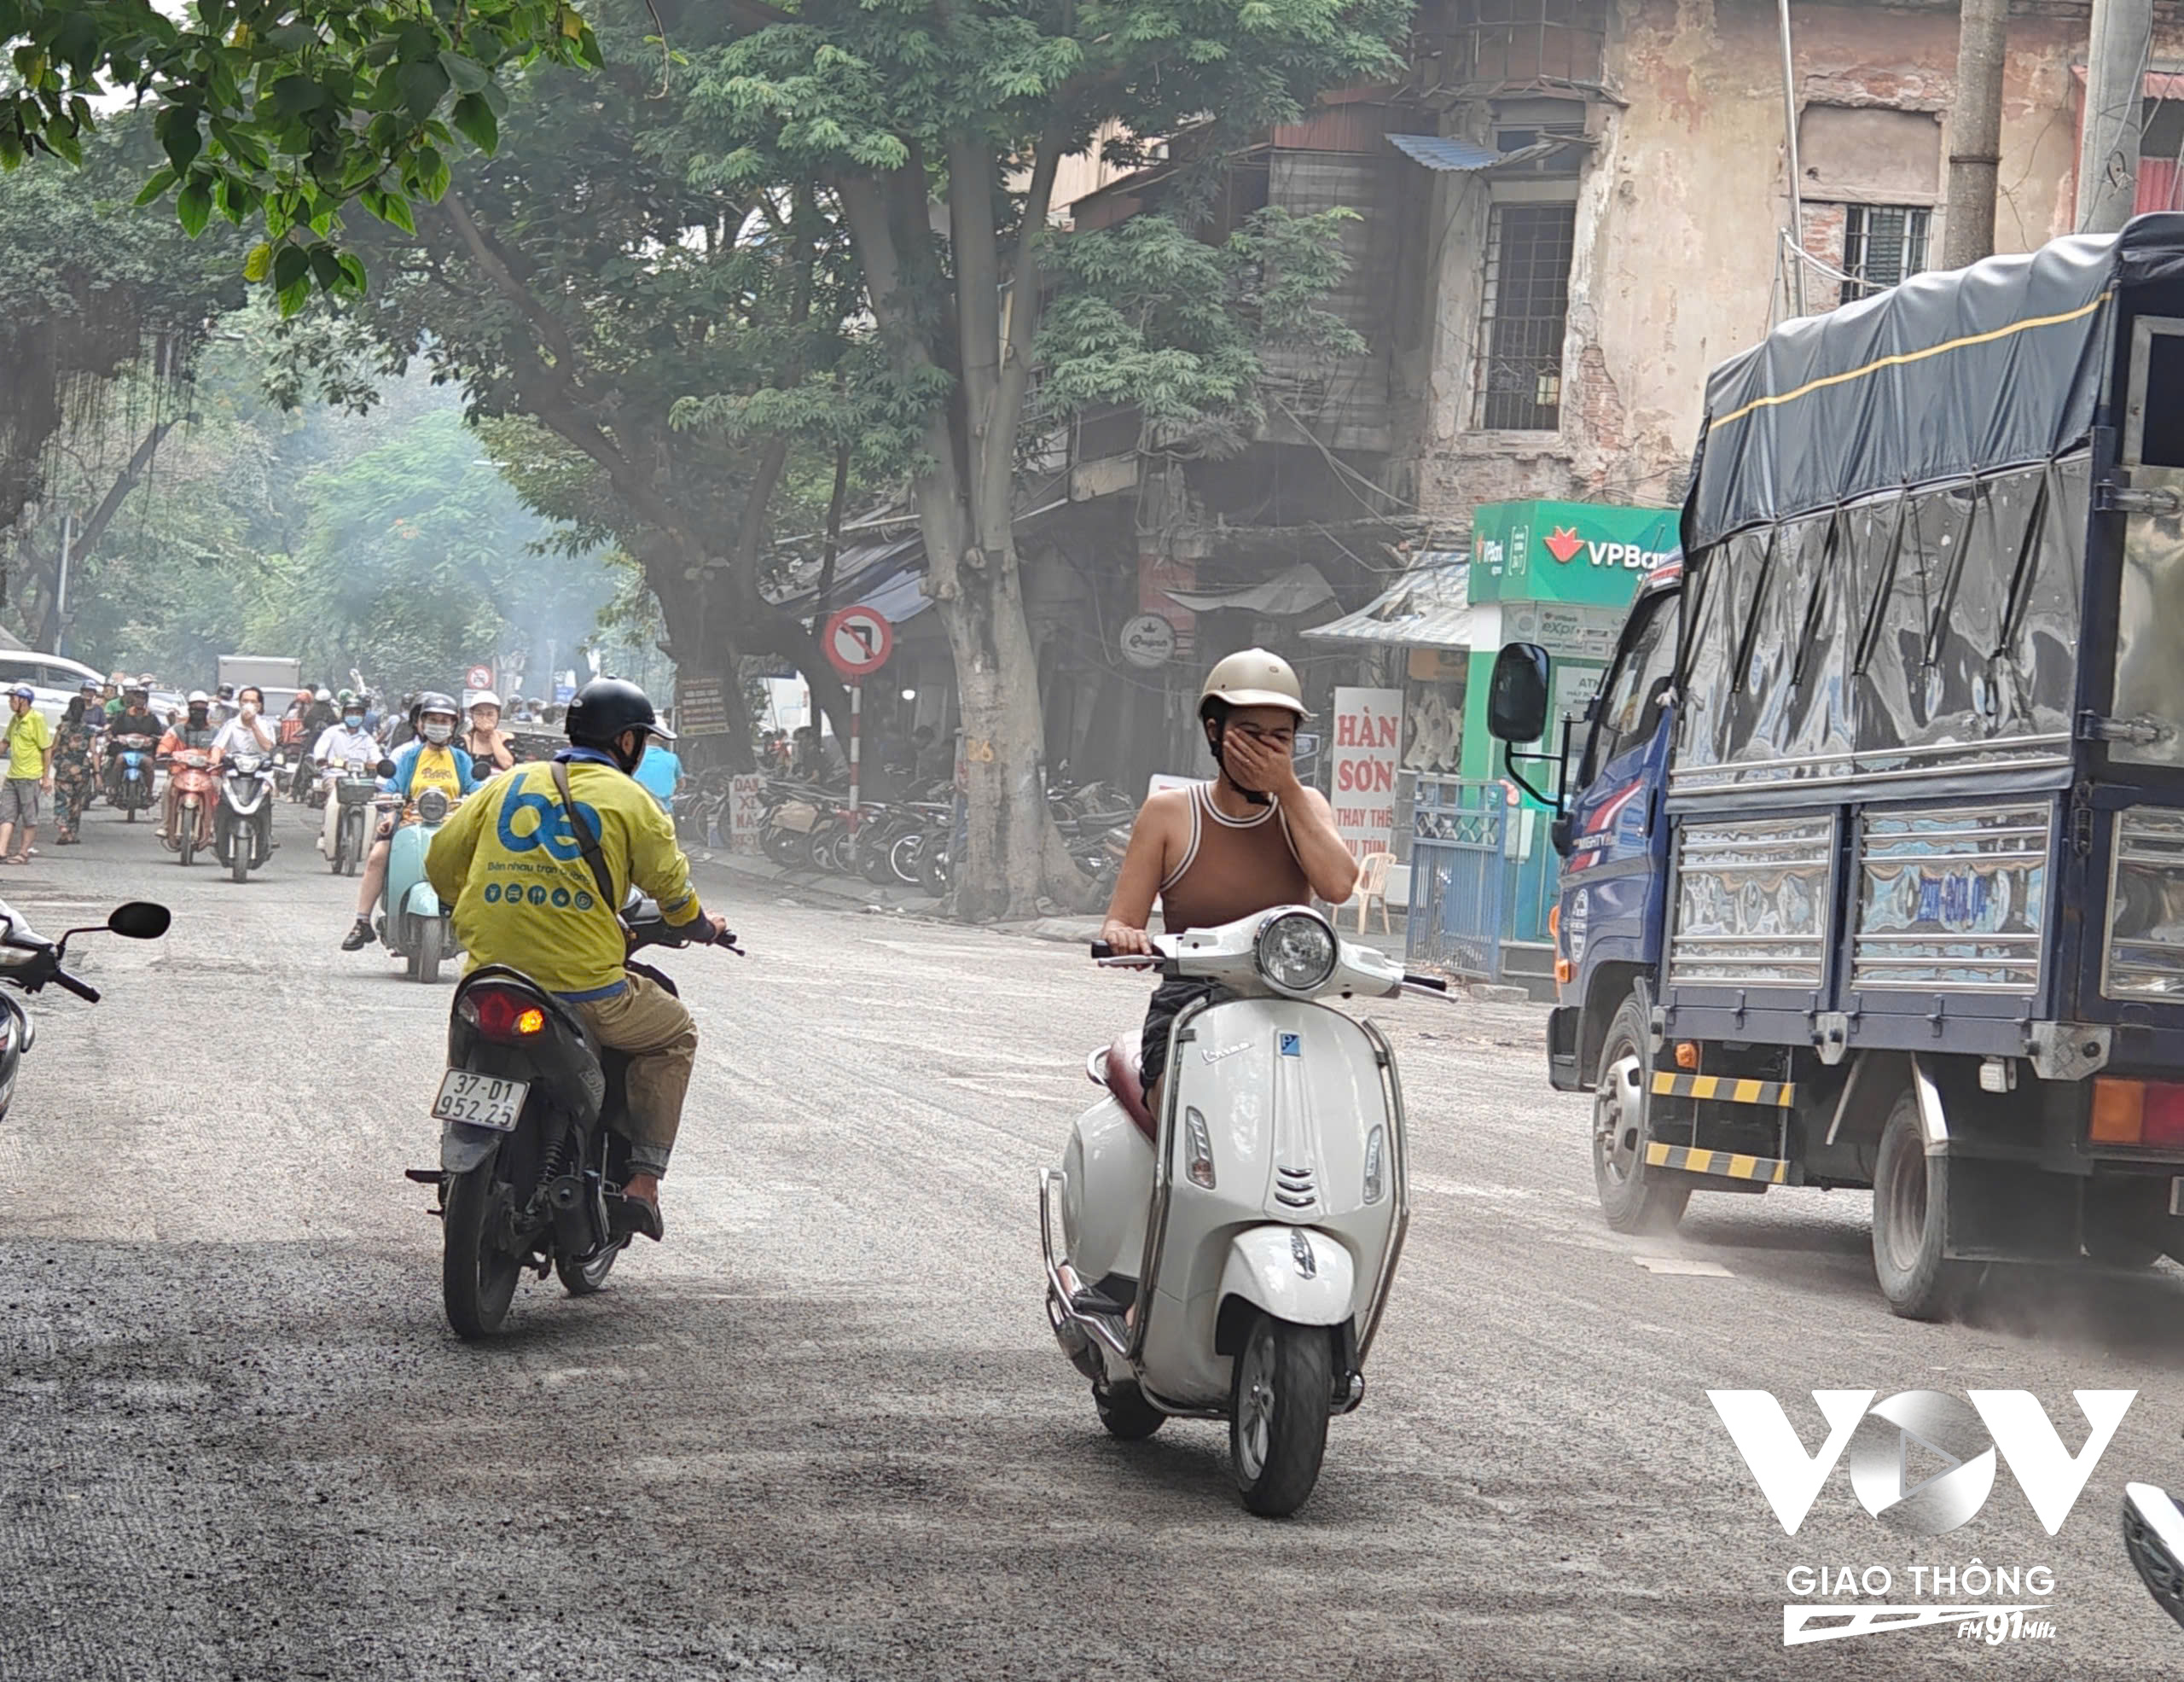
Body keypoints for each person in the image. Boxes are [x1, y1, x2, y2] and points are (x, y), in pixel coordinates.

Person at [426, 677, 726, 1238]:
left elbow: (441, 862)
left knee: (468, 1046)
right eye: (641, 740)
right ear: (627, 742)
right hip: (584, 991)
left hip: (488, 977)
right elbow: (673, 890)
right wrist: (703, 926)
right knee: (676, 1032)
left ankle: (458, 1149)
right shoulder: (632, 800)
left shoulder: (507, 783)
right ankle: (643, 1184)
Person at [1099, 649, 1360, 1105]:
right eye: (1250, 735)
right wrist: (1124, 937)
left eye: (1280, 738)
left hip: (1287, 1006)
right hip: (1189, 1007)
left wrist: (1288, 788)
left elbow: (1338, 885)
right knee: (1185, 1114)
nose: (1265, 750)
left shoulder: (1306, 807)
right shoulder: (1170, 814)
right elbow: (1122, 921)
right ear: (1215, 734)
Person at [340, 693, 478, 952]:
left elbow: (475, 787)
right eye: (433, 720)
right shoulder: (409, 757)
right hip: (410, 823)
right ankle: (362, 922)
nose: (438, 725)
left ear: (454, 725)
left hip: (452, 827)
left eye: (444, 720)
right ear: (421, 724)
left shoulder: (461, 759)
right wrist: (389, 813)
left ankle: (479, 924)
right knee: (378, 855)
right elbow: (391, 788)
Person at [156, 692, 220, 847]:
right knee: (166, 787)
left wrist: (222, 758)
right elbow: (165, 745)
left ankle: (213, 827)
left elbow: (221, 749)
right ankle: (165, 825)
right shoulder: (176, 730)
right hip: (181, 772)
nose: (198, 713)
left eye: (202, 709)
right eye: (195, 709)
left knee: (219, 788)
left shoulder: (216, 732)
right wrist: (164, 752)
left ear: (207, 712)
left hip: (208, 773)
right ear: (189, 709)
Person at [0, 685, 55, 864]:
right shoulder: (15, 720)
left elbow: (46, 749)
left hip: (30, 776)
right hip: (13, 776)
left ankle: (23, 853)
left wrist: (45, 777)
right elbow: (5, 742)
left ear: (23, 701)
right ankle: (2, 851)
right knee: (7, 815)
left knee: (29, 817)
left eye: (13, 699)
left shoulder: (36, 719)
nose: (10, 703)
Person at [50, 685, 102, 844]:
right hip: (82, 770)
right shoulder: (88, 731)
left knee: (62, 800)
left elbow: (54, 748)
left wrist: (45, 770)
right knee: (76, 803)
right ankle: (73, 834)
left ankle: (63, 828)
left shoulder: (62, 728)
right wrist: (97, 774)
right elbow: (94, 753)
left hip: (64, 770)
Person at [104, 683, 162, 800]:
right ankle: (113, 789)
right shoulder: (123, 715)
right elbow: (112, 731)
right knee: (119, 761)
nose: (139, 700)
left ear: (146, 700)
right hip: (125, 749)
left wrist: (152, 739)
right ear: (133, 699)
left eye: (142, 698)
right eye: (137, 697)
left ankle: (149, 792)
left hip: (145, 751)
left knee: (149, 764)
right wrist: (117, 737)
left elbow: (159, 734)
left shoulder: (152, 717)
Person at [311, 699, 379, 782]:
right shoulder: (332, 732)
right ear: (344, 715)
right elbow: (319, 750)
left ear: (363, 716)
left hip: (361, 780)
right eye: (350, 713)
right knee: (333, 794)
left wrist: (381, 765)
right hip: (334, 776)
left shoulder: (367, 739)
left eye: (358, 714)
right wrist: (321, 759)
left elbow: (377, 758)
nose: (354, 716)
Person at [210, 687, 276, 762]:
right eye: (245, 701)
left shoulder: (266, 725)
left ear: (259, 706)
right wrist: (215, 758)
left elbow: (268, 748)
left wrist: (253, 724)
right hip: (235, 766)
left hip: (260, 769)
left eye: (253, 702)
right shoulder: (231, 724)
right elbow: (217, 745)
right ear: (239, 704)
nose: (248, 705)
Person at [461, 690, 514, 774]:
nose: (484, 718)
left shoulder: (508, 740)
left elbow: (507, 764)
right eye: (479, 714)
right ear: (472, 716)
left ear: (498, 716)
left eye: (490, 714)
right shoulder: (463, 741)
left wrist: (492, 734)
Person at [631, 734, 682, 812]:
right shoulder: (673, 758)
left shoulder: (635, 757)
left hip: (638, 810)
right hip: (664, 811)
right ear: (662, 740)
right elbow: (681, 784)